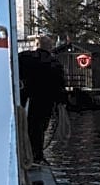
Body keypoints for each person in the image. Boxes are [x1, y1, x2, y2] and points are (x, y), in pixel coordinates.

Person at [18, 35, 67, 164]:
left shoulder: (25, 57)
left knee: (27, 125)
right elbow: (60, 84)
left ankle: (27, 152)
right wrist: (61, 103)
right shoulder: (54, 63)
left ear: (37, 45)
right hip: (45, 99)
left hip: (25, 96)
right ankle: (37, 155)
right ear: (50, 47)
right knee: (39, 127)